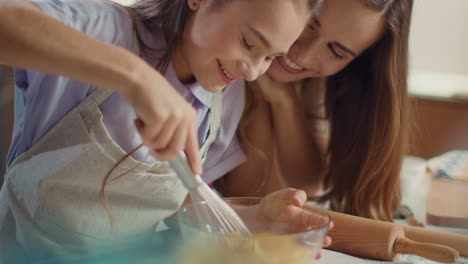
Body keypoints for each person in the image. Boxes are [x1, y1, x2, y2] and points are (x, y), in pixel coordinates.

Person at [0, 0, 327, 262]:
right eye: (248, 42)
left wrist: (248, 221)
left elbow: (171, 202)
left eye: (270, 56)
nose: (253, 72)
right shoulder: (109, 31)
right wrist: (134, 76)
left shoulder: (224, 98)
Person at [217, 0, 414, 222]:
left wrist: (285, 102)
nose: (303, 56)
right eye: (309, 25)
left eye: (337, 52)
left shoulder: (316, 83)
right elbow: (241, 193)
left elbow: (308, 183)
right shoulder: (218, 42)